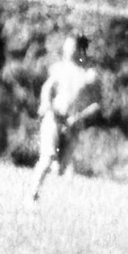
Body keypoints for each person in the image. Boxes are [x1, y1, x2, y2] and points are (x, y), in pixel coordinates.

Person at [30, 34, 102, 202]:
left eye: (71, 47)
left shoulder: (89, 75)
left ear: (79, 50)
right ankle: (32, 195)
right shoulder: (59, 68)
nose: (67, 50)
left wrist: (79, 117)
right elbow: (47, 88)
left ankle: (55, 162)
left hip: (73, 124)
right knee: (47, 159)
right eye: (66, 47)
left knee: (60, 170)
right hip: (54, 117)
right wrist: (46, 103)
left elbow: (96, 104)